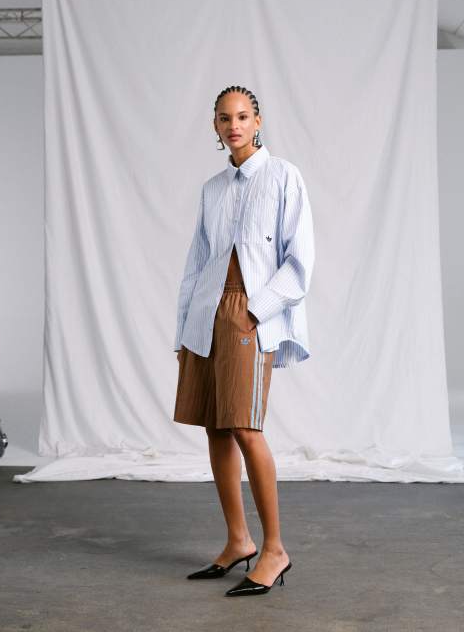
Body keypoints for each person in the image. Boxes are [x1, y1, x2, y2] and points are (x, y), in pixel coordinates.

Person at [173, 85, 315, 596]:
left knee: (245, 428)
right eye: (223, 118)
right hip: (206, 314)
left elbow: (299, 262)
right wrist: (184, 331)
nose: (233, 125)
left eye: (241, 116)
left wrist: (256, 312)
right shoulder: (212, 189)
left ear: (257, 120)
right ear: (215, 126)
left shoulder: (283, 176)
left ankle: (274, 549)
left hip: (249, 313)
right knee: (215, 428)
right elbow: (197, 262)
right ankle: (238, 540)